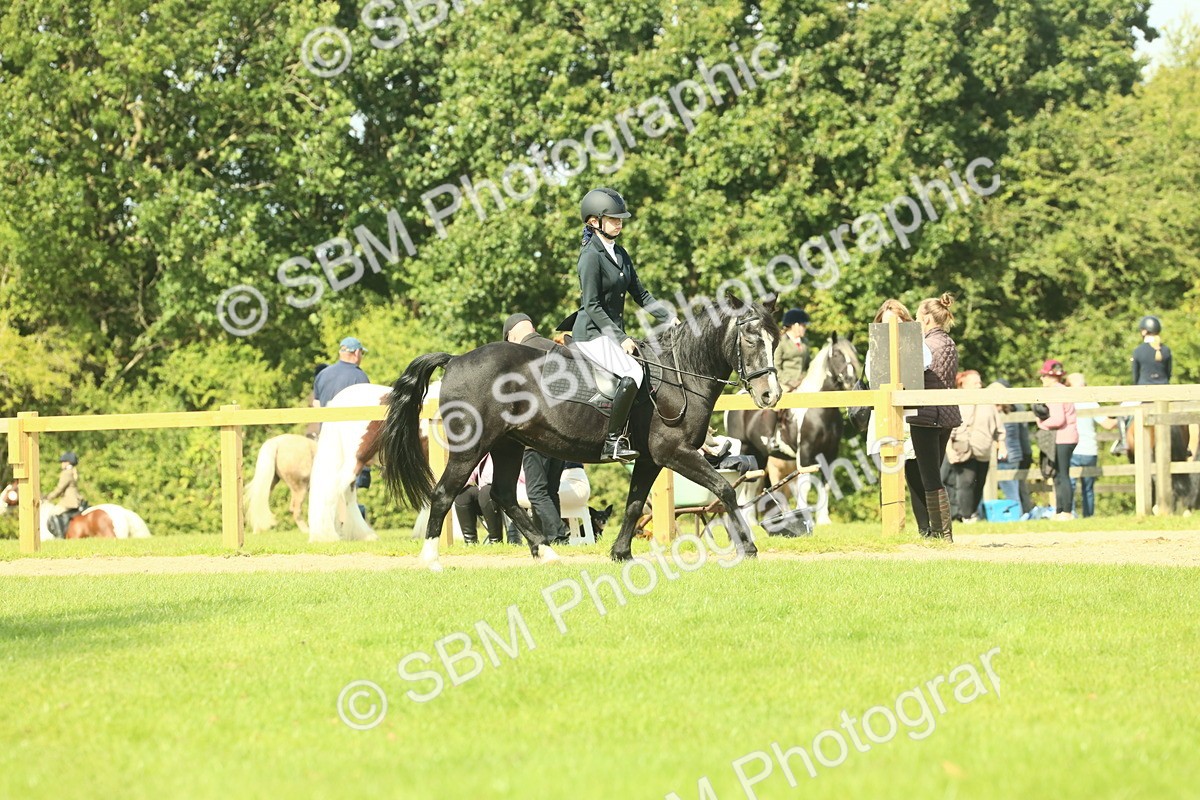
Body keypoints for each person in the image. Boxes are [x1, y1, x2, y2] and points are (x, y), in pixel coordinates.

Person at [564, 187, 671, 462]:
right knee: (632, 373)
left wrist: (670, 318)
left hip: (609, 331)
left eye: (620, 218)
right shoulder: (590, 256)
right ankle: (612, 442)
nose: (619, 222)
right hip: (591, 333)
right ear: (593, 221)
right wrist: (620, 337)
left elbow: (642, 295)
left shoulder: (620, 253)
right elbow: (592, 305)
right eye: (613, 218)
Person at [501, 313, 571, 545]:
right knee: (551, 490)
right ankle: (548, 538)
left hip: (536, 433)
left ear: (511, 336)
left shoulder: (517, 356)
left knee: (537, 492)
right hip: (564, 434)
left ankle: (559, 534)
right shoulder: (556, 348)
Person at [905, 293, 962, 540]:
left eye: (918, 318)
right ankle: (931, 532)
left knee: (930, 476)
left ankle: (942, 534)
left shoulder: (925, 345)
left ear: (927, 319)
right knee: (923, 471)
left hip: (927, 415)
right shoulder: (948, 342)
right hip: (947, 414)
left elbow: (912, 374)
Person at [944, 372, 1004, 522]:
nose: (979, 385)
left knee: (980, 483)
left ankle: (971, 513)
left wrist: (1002, 445)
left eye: (979, 382)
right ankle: (966, 515)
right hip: (964, 448)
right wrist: (949, 449)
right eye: (975, 382)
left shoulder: (988, 403)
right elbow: (949, 428)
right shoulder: (957, 401)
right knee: (966, 483)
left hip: (983, 449)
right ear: (963, 383)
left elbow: (998, 428)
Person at [1114, 316, 1172, 454]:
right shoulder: (1166, 350)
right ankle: (1185, 447)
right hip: (1165, 392)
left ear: (1144, 332)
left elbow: (1135, 376)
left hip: (1144, 392)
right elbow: (1169, 373)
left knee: (1121, 412)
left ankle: (1123, 442)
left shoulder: (1138, 351)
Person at [1066, 372, 1117, 518]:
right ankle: (1089, 516)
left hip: (1072, 448)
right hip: (1089, 450)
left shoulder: (1067, 401)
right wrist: (1124, 418)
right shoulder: (1090, 402)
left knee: (1070, 485)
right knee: (1088, 488)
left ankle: (1070, 513)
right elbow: (1108, 424)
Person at [1034, 359, 1078, 520]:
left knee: (1062, 475)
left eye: (1044, 376)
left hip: (1063, 437)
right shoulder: (1062, 389)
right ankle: (1060, 510)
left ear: (1050, 377)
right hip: (1066, 437)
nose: (1042, 379)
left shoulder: (1055, 392)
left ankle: (1066, 511)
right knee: (1059, 475)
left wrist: (1041, 424)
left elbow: (1058, 419)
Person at [996, 379, 1035, 514]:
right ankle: (1024, 512)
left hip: (1005, 456)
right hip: (1017, 454)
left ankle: (1016, 514)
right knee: (1016, 487)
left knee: (1010, 490)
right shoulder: (1015, 409)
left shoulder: (998, 414)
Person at [454, 455, 503, 544]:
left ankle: (496, 541)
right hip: (486, 498)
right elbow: (469, 476)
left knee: (486, 491)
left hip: (509, 494)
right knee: (462, 493)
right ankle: (470, 542)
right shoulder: (483, 454)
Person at [313, 337, 370, 407]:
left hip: (326, 417)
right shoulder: (360, 376)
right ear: (357, 352)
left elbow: (316, 404)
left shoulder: (322, 374)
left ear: (340, 352)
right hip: (349, 417)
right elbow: (366, 405)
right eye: (362, 353)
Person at [44, 452, 83, 538]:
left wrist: (49, 497)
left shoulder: (66, 473)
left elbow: (60, 488)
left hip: (69, 501)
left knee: (53, 513)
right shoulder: (73, 471)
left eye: (63, 462)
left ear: (67, 462)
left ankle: (60, 536)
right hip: (75, 499)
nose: (61, 464)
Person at [775, 308, 811, 390]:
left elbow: (807, 365)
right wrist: (788, 381)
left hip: (803, 382)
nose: (805, 328)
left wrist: (803, 378)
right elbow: (776, 367)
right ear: (795, 325)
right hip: (784, 384)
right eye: (803, 326)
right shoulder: (781, 342)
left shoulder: (805, 342)